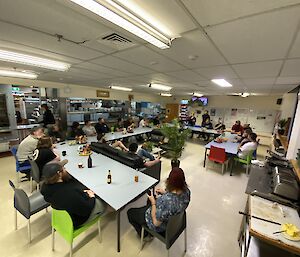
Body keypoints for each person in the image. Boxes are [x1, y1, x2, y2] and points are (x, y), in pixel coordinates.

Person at [127, 167, 191, 239]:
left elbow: (156, 223)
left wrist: (153, 203)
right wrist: (165, 193)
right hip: (175, 222)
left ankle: (145, 234)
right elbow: (174, 199)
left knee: (130, 212)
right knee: (151, 200)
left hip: (161, 226)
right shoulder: (187, 192)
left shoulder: (165, 201)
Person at [41, 161, 107, 228]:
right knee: (103, 202)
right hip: (77, 220)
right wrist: (92, 197)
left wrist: (82, 193)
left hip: (63, 216)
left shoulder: (46, 187)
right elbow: (86, 210)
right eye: (63, 168)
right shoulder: (68, 193)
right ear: (59, 174)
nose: (65, 169)